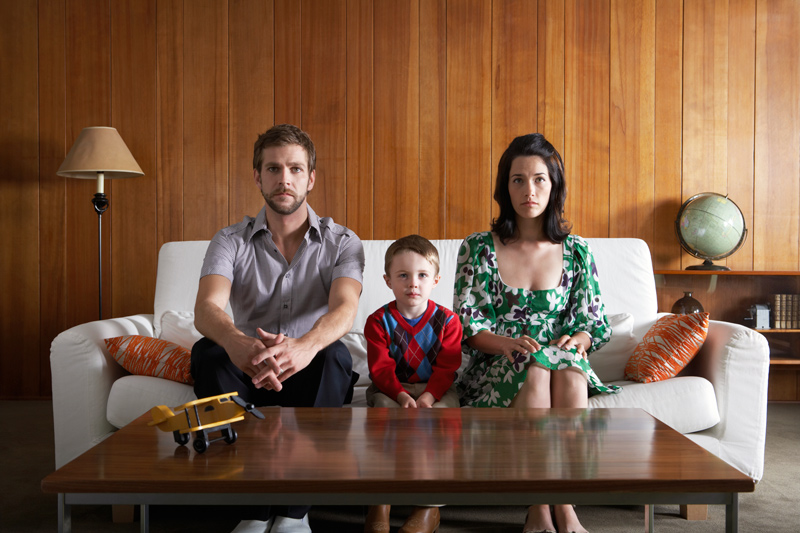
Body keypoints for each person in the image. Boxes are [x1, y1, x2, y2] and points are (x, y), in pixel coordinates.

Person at [191, 124, 365, 533]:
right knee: (207, 353)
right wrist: (240, 344)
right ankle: (252, 511)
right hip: (245, 370)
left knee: (336, 355)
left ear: (311, 177)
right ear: (258, 176)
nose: (283, 179)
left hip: (306, 369)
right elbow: (206, 308)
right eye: (272, 169)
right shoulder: (228, 240)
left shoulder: (343, 242)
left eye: (295, 169)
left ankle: (292, 513)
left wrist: (302, 348)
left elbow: (345, 309)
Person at [454, 133, 620, 533]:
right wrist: (509, 344)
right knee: (534, 368)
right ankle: (540, 505)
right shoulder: (478, 247)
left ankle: (562, 504)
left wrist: (576, 341)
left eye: (539, 179)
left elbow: (592, 321)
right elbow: (470, 325)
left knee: (565, 370)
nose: (529, 189)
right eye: (518, 180)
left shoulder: (577, 250)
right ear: (504, 187)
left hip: (561, 360)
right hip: (499, 362)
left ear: (554, 185)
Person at [363, 235, 462, 533]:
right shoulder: (378, 320)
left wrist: (430, 396)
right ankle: (379, 505)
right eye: (403, 275)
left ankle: (428, 507)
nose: (413, 283)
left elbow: (447, 368)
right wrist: (402, 396)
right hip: (392, 388)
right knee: (382, 414)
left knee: (445, 419)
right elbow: (380, 369)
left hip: (436, 388)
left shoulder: (448, 321)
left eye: (422, 275)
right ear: (388, 280)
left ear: (435, 280)